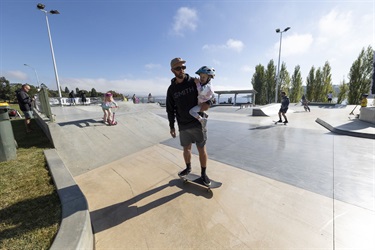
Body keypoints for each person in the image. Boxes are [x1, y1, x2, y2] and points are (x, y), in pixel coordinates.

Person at [166, 57, 211, 186]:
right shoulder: (171, 90)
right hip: (183, 125)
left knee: (201, 148)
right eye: (178, 68)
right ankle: (188, 168)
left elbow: (208, 93)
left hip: (197, 123)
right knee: (186, 149)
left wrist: (208, 103)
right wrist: (172, 126)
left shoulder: (194, 82)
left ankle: (203, 174)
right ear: (172, 70)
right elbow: (170, 110)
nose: (181, 70)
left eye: (183, 67)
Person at [189, 66, 215, 130]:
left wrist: (197, 83)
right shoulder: (206, 84)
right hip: (202, 102)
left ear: (209, 77)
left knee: (191, 111)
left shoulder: (208, 87)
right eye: (200, 77)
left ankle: (202, 120)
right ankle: (204, 114)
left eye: (203, 77)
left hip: (204, 103)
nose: (201, 78)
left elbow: (201, 92)